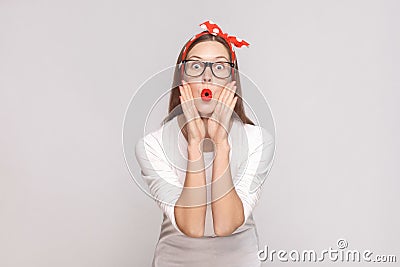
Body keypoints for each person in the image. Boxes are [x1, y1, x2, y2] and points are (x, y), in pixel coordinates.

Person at [135, 20, 275, 267]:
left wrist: (221, 143)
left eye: (220, 67)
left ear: (232, 80)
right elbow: (191, 227)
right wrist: (195, 146)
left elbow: (225, 224)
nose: (208, 76)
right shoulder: (152, 146)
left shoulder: (257, 141)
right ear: (182, 79)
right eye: (196, 66)